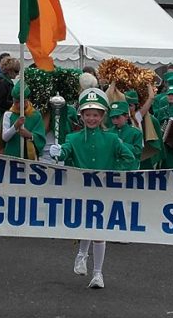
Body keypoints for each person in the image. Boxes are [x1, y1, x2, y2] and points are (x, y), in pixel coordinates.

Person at [49, 88, 137, 289]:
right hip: (80, 190)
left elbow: (129, 159)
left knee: (99, 230)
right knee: (85, 225)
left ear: (102, 116)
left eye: (96, 115)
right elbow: (65, 154)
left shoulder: (112, 139)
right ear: (81, 115)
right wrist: (59, 151)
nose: (91, 118)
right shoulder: (73, 138)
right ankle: (81, 254)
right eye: (87, 114)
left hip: (104, 191)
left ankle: (98, 273)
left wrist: (111, 175)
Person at [0, 81, 45, 159]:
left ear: (27, 100)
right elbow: (5, 137)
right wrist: (15, 126)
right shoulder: (8, 114)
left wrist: (29, 135)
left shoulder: (36, 115)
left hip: (29, 158)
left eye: (22, 102)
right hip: (11, 156)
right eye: (16, 102)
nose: (18, 105)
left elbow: (41, 138)